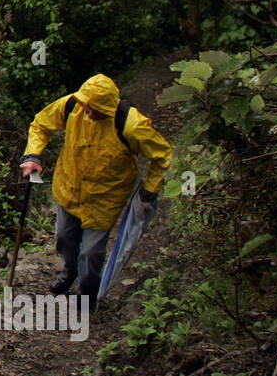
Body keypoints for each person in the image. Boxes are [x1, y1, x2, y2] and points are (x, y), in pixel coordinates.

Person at [19, 74, 173, 309]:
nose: (88, 112)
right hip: (68, 187)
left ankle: (87, 293)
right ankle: (69, 272)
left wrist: (149, 190)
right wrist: (32, 155)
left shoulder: (131, 124)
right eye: (86, 107)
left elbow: (162, 157)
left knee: (91, 252)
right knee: (63, 238)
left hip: (104, 198)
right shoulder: (73, 105)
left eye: (95, 109)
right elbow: (41, 123)